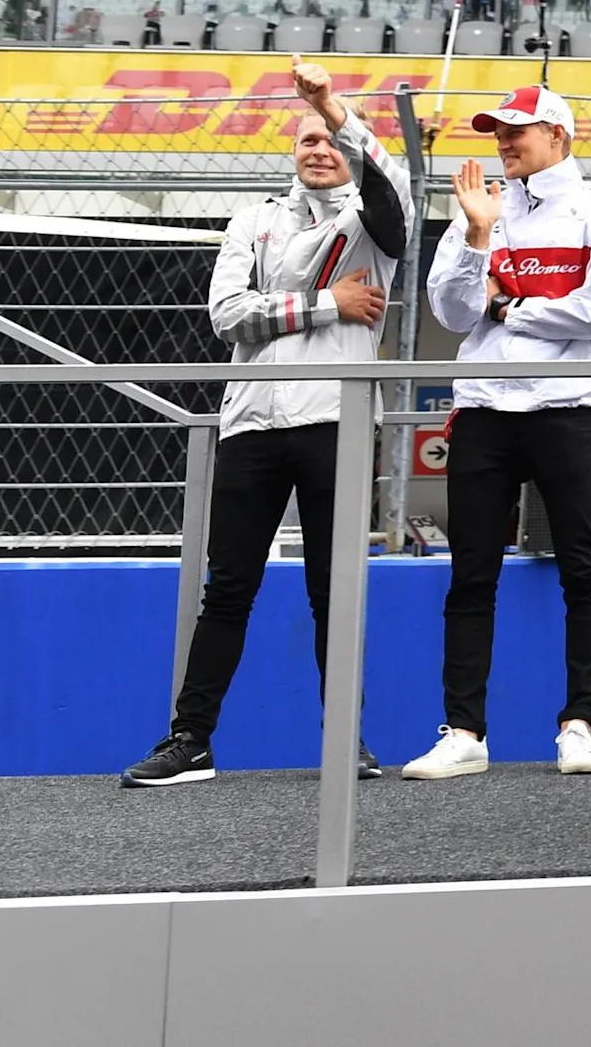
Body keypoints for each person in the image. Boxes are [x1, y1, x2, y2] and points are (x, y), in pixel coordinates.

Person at [124, 61, 408, 787]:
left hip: (334, 422)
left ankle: (346, 739)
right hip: (251, 423)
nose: (318, 150)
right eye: (307, 139)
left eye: (330, 141)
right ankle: (190, 740)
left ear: (346, 148)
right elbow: (226, 317)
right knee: (229, 587)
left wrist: (333, 108)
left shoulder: (371, 225)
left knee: (333, 588)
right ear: (291, 152)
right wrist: (324, 305)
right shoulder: (252, 221)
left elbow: (393, 187)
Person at [402, 84, 591, 781]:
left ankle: (579, 726)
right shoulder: (482, 210)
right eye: (497, 132)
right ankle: (465, 733)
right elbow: (450, 314)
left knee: (583, 569)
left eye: (518, 131)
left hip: (571, 408)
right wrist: (478, 238)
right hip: (482, 410)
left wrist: (508, 312)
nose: (504, 142)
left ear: (558, 137)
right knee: (470, 574)